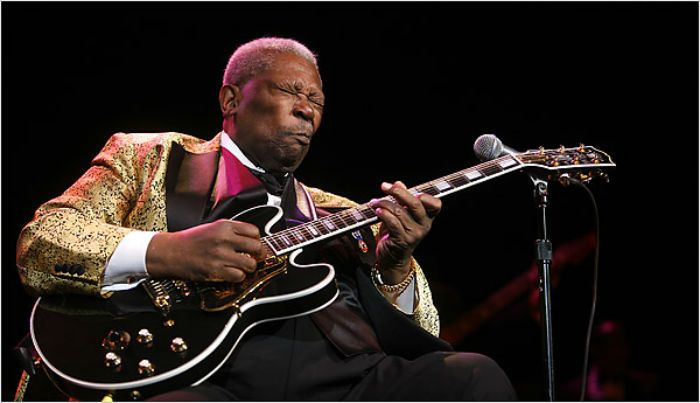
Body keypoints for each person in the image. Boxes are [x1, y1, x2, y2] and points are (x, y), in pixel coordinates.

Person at [16, 37, 516, 401]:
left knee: (471, 377)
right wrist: (170, 251)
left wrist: (395, 267)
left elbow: (425, 330)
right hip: (207, 378)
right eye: (290, 92)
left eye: (317, 101)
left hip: (346, 379)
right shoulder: (150, 158)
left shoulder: (340, 211)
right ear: (232, 99)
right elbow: (42, 244)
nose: (307, 111)